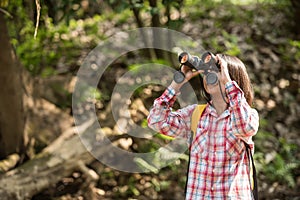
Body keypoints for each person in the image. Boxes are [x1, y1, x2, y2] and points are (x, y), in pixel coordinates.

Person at [147, 52, 259, 199]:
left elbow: (244, 127)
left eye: (216, 71)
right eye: (206, 72)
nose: (209, 76)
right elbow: (156, 120)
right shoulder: (195, 115)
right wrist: (178, 81)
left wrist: (228, 82)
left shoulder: (247, 115)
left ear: (232, 77)